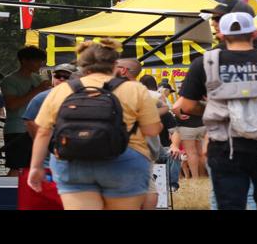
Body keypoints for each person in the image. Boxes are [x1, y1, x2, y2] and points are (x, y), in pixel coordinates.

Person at [176, 11, 257, 211]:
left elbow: (185, 106)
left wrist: (215, 109)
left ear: (221, 35)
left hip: (224, 145)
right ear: (255, 33)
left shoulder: (206, 62)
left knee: (229, 204)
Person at [26, 41, 163, 210]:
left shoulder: (61, 91)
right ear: (115, 65)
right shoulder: (134, 89)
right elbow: (152, 130)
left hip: (72, 160)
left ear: (82, 66)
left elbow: (43, 133)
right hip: (124, 160)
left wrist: (36, 167)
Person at [18, 62, 76, 210]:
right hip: (50, 162)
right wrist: (46, 145)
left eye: (66, 76)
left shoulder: (83, 95)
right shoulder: (42, 97)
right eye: (58, 76)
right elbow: (30, 122)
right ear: (52, 77)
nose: (61, 79)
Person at [0, 45, 51, 175]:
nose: (40, 64)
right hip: (17, 130)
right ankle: (10, 193)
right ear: (24, 61)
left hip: (35, 129)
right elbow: (12, 105)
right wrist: (38, 90)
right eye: (37, 60)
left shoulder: (37, 79)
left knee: (33, 166)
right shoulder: (10, 81)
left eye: (41, 60)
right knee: (16, 166)